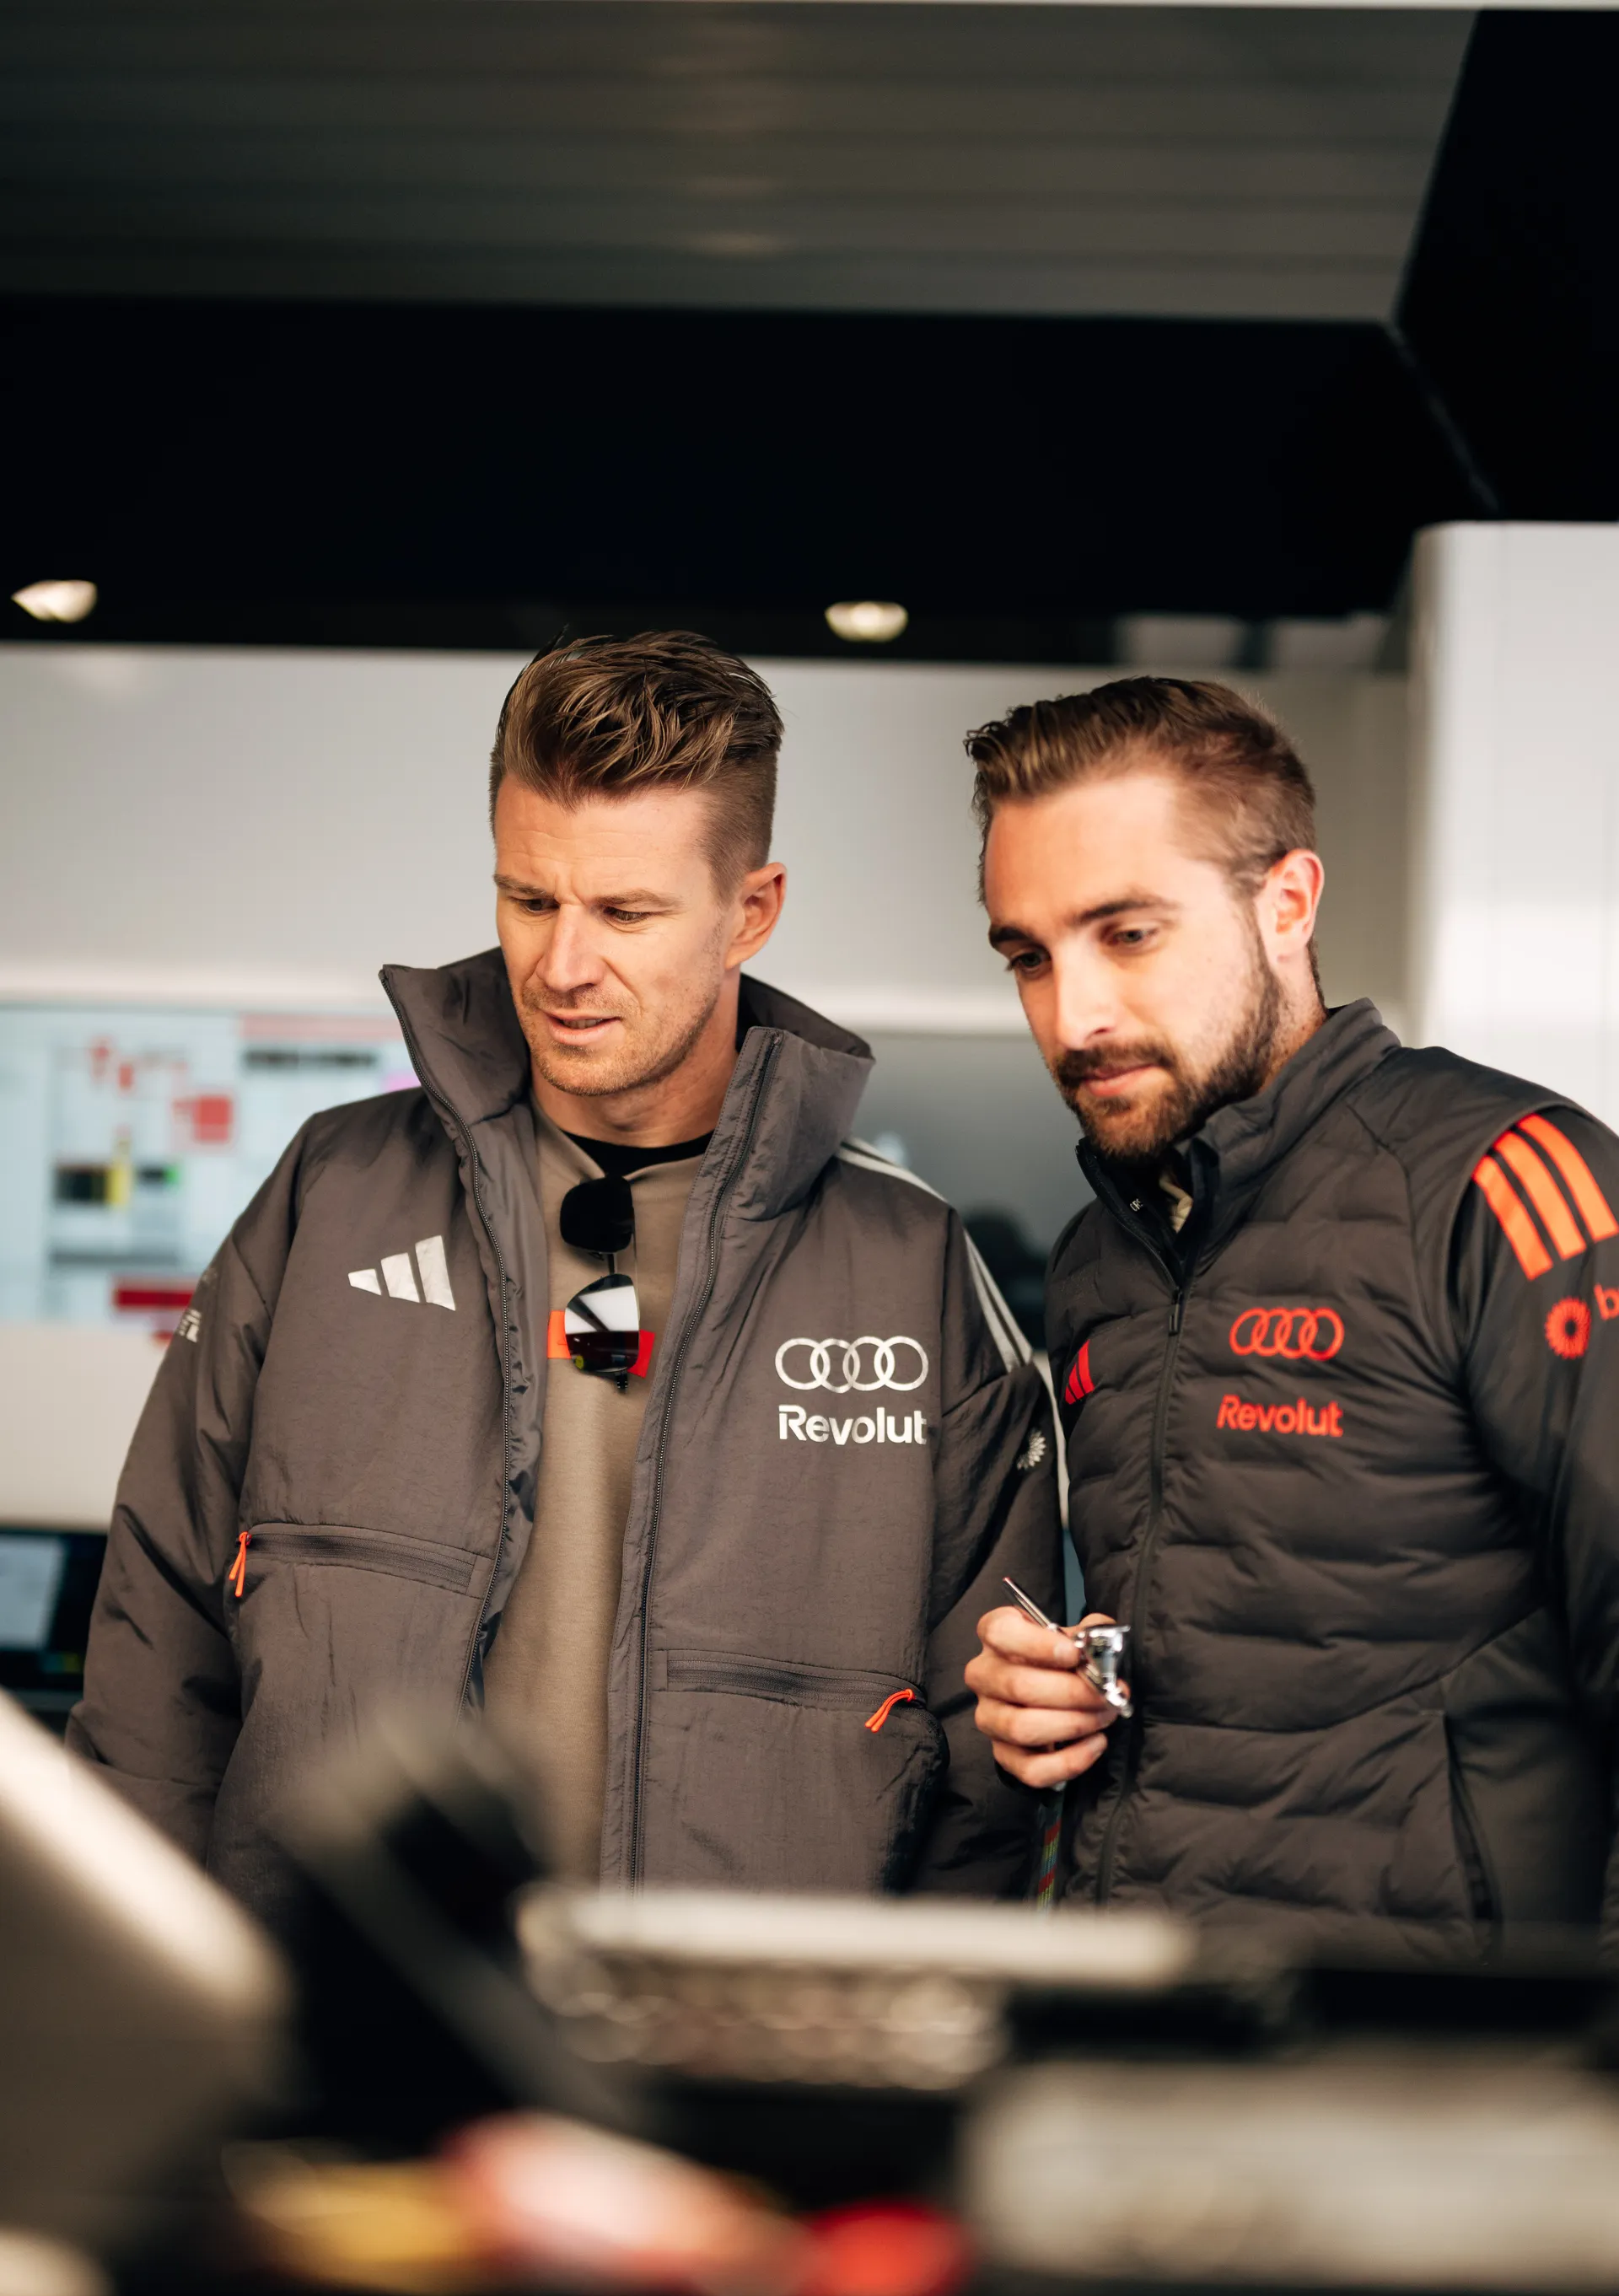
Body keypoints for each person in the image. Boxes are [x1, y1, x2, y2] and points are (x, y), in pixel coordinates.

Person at [69, 632, 1058, 1926]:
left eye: (627, 913)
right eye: (529, 899)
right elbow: (158, 1640)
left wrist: (873, 2054)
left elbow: (992, 1756)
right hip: (347, 2036)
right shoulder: (332, 1193)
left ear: (750, 911)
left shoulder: (912, 1268)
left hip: (735, 2059)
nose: (562, 966)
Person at [963, 675, 1619, 1948]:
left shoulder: (1505, 1180)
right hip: (1158, 2034)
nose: (1073, 1014)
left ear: (1288, 902)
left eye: (1128, 933)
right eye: (1030, 957)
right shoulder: (1103, 1254)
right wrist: (1044, 1699)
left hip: (1444, 2063)